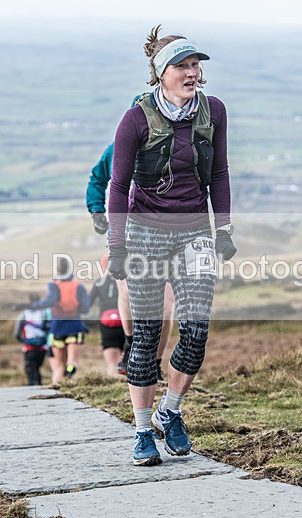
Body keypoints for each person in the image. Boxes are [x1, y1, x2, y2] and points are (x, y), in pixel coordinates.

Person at [106, 25, 236, 466]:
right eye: (183, 65)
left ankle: (170, 412)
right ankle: (143, 431)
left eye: (196, 65)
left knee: (196, 332)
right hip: (144, 231)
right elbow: (117, 183)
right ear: (162, 72)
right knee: (144, 338)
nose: (193, 73)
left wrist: (224, 230)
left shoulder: (214, 111)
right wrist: (117, 245)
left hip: (195, 229)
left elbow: (219, 174)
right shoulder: (136, 119)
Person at [85, 114, 175, 382]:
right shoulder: (116, 149)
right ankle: (129, 346)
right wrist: (97, 211)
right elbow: (97, 179)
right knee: (126, 288)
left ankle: (155, 363)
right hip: (125, 230)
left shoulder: (175, 146)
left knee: (166, 304)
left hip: (167, 232)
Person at [26, 257, 90, 385]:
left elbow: (49, 301)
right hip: (74, 326)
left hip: (57, 327)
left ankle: (57, 388)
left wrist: (31, 305)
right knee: (71, 361)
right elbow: (85, 308)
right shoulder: (78, 286)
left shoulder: (53, 285)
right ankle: (71, 368)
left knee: (58, 366)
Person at [89, 255, 125, 378]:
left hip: (107, 323)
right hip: (125, 323)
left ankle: (113, 380)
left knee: (111, 365)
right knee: (128, 361)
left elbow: (88, 303)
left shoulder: (99, 282)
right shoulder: (125, 281)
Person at [13, 306, 52, 385]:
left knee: (30, 367)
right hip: (42, 346)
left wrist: (23, 341)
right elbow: (49, 328)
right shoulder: (43, 313)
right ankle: (38, 384)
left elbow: (16, 333)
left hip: (29, 347)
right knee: (37, 367)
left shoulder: (23, 314)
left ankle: (32, 385)